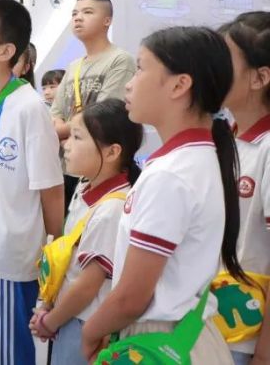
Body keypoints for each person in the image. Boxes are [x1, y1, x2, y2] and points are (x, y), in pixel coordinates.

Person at [81, 26, 246, 363]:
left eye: (140, 68)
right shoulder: (195, 159)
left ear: (179, 85)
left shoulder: (171, 175)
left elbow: (131, 298)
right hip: (186, 334)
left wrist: (89, 333)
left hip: (157, 341)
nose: (129, 83)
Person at [0, 0, 65, 365]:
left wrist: (55, 258)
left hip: (7, 255)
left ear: (6, 50)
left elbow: (51, 189)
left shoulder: (28, 107)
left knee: (6, 352)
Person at [29, 99, 143, 364]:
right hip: (66, 314)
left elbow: (87, 285)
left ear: (112, 152)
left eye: (77, 137)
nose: (66, 145)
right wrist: (49, 306)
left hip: (85, 323)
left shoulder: (112, 209)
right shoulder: (84, 188)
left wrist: (50, 321)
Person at [220, 12, 270, 365]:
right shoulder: (228, 138)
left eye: (224, 61)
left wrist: (264, 354)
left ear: (260, 77)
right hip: (212, 326)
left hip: (247, 339)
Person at [51, 0, 136, 140]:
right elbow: (56, 113)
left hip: (99, 149)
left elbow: (105, 115)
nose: (78, 18)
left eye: (88, 12)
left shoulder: (120, 60)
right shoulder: (73, 66)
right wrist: (58, 129)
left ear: (107, 21)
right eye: (74, 13)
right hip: (69, 151)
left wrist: (60, 132)